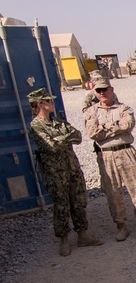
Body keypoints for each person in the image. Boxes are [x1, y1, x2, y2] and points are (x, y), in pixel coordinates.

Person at [27, 88, 103, 256]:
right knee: (61, 205)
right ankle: (64, 240)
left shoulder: (58, 122)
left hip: (72, 168)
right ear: (40, 104)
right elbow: (51, 147)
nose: (53, 103)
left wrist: (61, 138)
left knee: (79, 201)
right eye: (49, 101)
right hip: (55, 173)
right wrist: (65, 138)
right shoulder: (36, 126)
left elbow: (77, 136)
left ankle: (82, 236)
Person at [84, 76, 136, 241]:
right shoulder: (92, 111)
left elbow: (128, 125)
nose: (102, 93)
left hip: (125, 151)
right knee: (112, 192)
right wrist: (115, 126)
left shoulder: (124, 108)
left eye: (104, 90)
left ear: (111, 89)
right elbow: (92, 133)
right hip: (106, 155)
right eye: (98, 91)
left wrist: (105, 127)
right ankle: (121, 225)